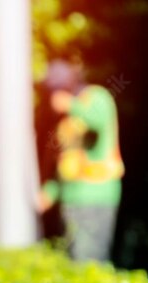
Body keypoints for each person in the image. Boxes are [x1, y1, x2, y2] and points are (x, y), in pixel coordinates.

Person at [38, 60, 125, 263]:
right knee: (72, 258)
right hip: (71, 199)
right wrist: (50, 192)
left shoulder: (97, 97)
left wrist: (71, 104)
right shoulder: (66, 120)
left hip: (96, 195)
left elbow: (98, 121)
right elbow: (65, 161)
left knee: (89, 258)